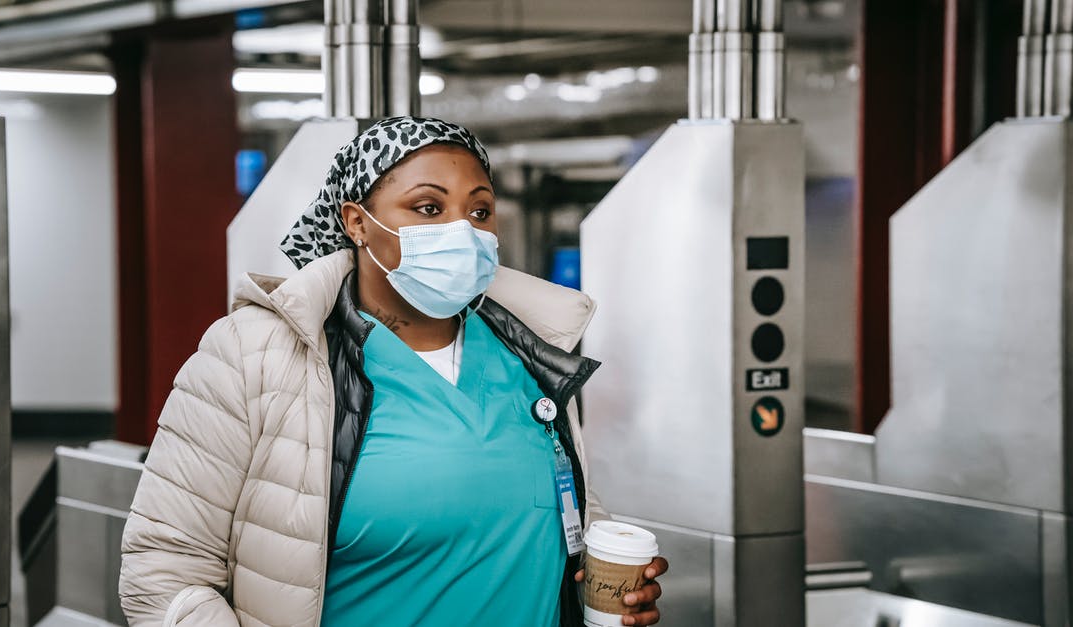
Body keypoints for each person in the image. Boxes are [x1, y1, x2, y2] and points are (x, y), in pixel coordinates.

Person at [118, 116, 669, 626]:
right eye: (429, 209)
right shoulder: (257, 356)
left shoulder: (531, 356)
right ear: (357, 222)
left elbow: (554, 508)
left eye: (479, 212)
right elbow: (164, 570)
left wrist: (600, 582)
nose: (463, 231)